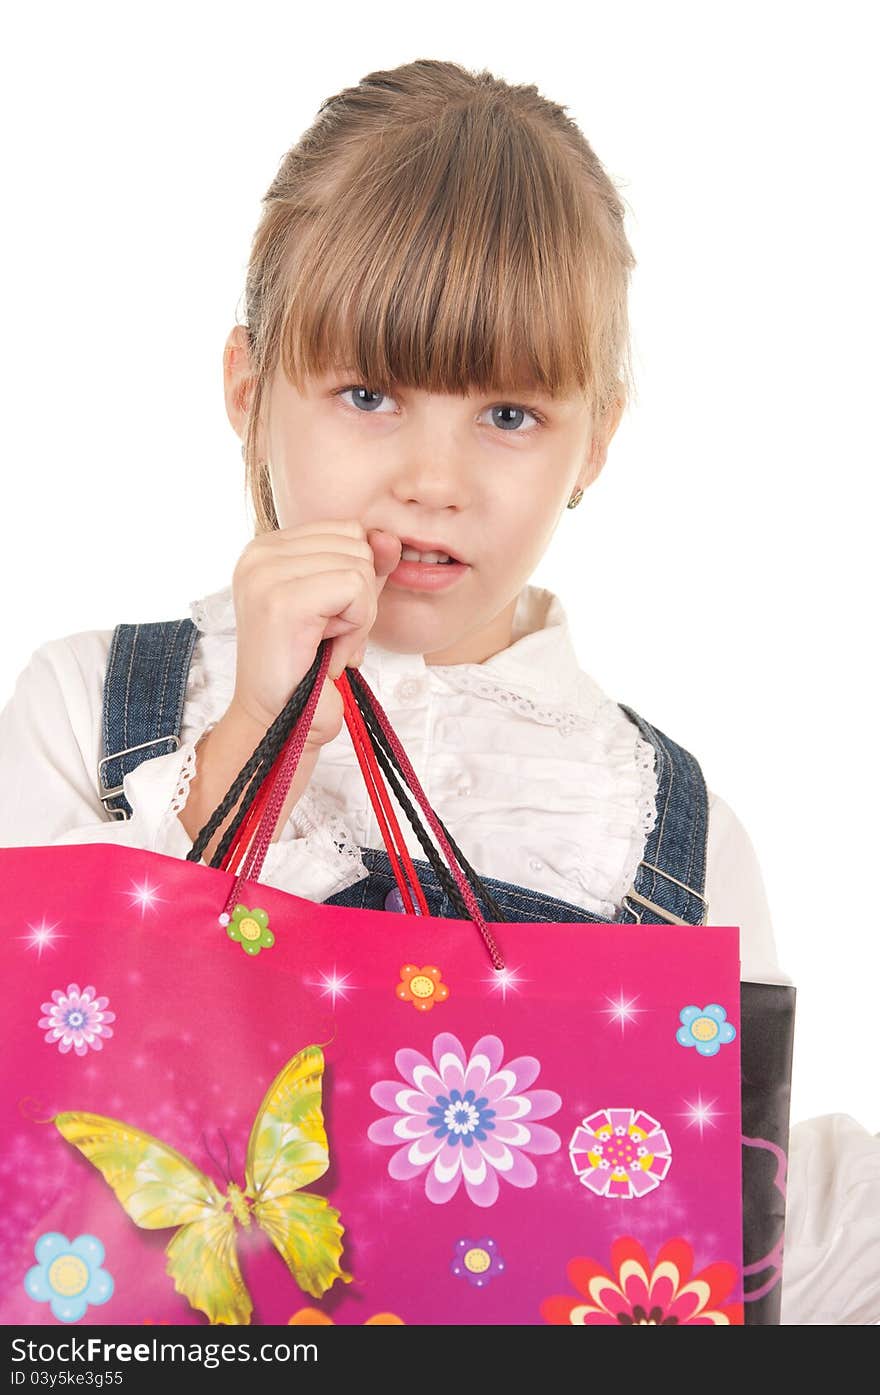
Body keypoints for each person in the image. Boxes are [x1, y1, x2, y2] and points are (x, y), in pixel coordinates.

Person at [0, 58, 875, 1325]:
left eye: (508, 413)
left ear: (599, 440)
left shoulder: (665, 835)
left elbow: (724, 1240)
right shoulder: (98, 706)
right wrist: (252, 725)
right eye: (367, 395)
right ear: (249, 392)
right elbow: (41, 1066)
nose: (432, 477)